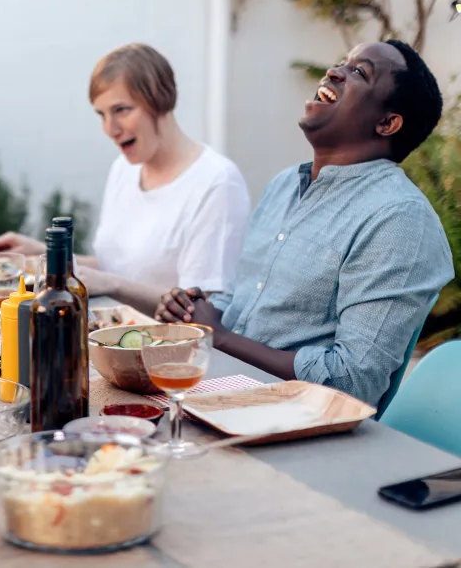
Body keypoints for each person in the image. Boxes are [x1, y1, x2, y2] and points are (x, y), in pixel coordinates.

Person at [157, 40, 453, 407]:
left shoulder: (398, 220)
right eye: (341, 62)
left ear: (387, 123)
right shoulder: (284, 185)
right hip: (218, 394)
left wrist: (220, 337)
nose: (333, 72)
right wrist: (194, 309)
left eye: (359, 72)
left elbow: (353, 381)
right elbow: (240, 301)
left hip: (297, 427)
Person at [0, 43, 251, 314]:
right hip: (110, 334)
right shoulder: (124, 169)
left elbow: (200, 309)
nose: (110, 129)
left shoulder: (217, 183)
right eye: (101, 115)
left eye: (121, 110)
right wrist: (46, 256)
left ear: (162, 101)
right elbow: (121, 269)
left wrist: (112, 285)